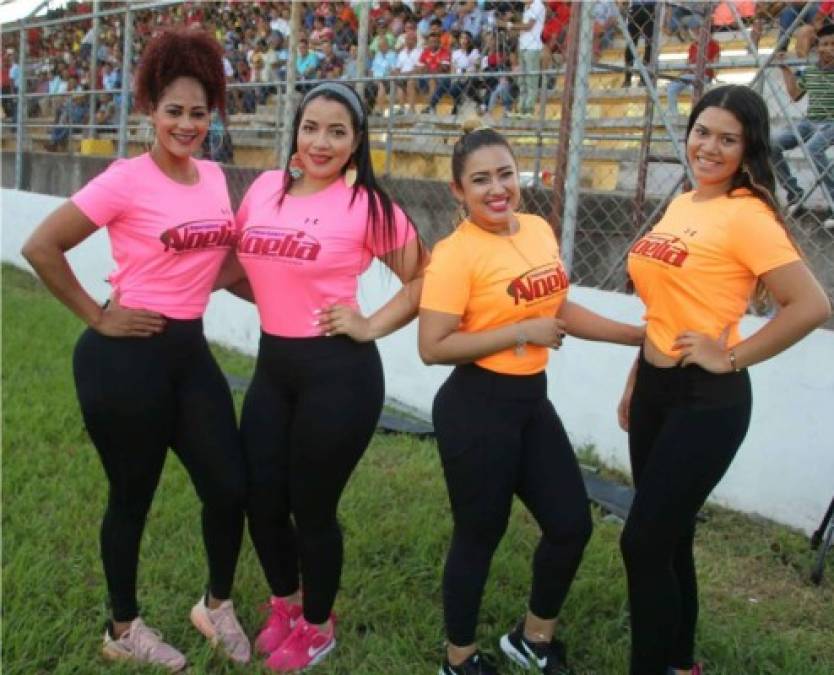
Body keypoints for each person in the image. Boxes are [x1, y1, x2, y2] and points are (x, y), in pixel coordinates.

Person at [20, 28, 251, 672]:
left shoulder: (212, 178)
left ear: (213, 116)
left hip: (189, 355)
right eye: (173, 110)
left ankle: (216, 604)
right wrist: (97, 315)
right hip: (124, 360)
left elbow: (223, 267)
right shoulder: (125, 179)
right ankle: (123, 628)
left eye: (198, 112)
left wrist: (293, 307)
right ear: (149, 107)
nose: (186, 123)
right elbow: (42, 246)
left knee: (229, 487)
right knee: (133, 497)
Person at [618, 85, 831, 675]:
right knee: (670, 536)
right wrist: (639, 377)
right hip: (658, 391)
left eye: (727, 139)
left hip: (706, 401)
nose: (709, 148)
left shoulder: (748, 215)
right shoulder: (686, 202)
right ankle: (681, 663)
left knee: (641, 543)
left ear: (749, 148)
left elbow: (810, 306)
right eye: (702, 132)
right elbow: (664, 306)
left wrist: (730, 356)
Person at [419, 122, 645, 675]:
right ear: (457, 190)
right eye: (480, 180)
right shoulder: (456, 254)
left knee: (571, 523)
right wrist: (520, 332)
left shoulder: (539, 229)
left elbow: (560, 309)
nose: (496, 189)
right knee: (480, 533)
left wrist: (634, 334)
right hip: (476, 407)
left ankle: (532, 638)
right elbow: (433, 346)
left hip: (529, 403)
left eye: (504, 174)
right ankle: (459, 658)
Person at [219, 81, 425, 672]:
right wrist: (160, 287)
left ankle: (317, 625)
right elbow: (235, 264)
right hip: (273, 369)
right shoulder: (263, 189)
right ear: (296, 130)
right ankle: (286, 602)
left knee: (311, 507)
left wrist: (370, 324)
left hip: (340, 375)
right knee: (261, 499)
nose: (321, 141)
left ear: (357, 142)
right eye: (311, 126)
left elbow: (423, 279)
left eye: (338, 131)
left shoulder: (368, 207)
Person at [770, 23, 834, 228]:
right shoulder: (812, 70)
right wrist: (786, 69)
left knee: (813, 148)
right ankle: (794, 193)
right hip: (810, 121)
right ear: (817, 48)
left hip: (832, 121)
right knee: (772, 144)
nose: (829, 48)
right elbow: (795, 94)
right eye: (825, 44)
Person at [666, 36, 720, 115]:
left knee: (693, 88)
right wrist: (678, 77)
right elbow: (688, 64)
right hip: (690, 75)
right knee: (671, 87)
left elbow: (715, 62)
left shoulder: (713, 44)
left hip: (704, 74)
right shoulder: (694, 45)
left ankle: (696, 113)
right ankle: (674, 114)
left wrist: (712, 75)